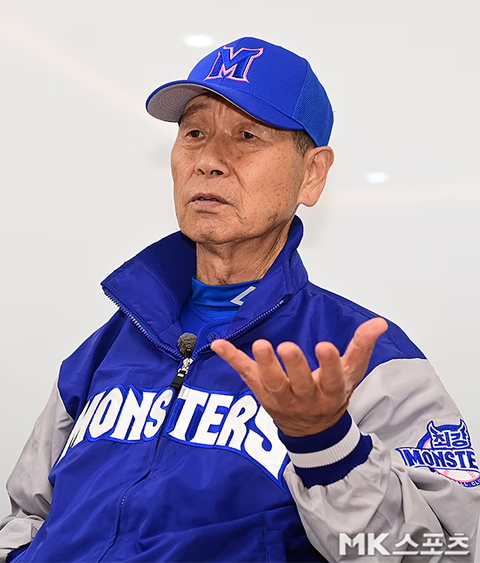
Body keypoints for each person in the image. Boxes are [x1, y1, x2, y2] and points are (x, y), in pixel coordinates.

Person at [0, 36, 478, 563]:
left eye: (247, 135)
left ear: (312, 174)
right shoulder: (109, 345)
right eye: (195, 133)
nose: (208, 160)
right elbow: (28, 516)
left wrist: (326, 444)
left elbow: (448, 548)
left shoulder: (367, 360)